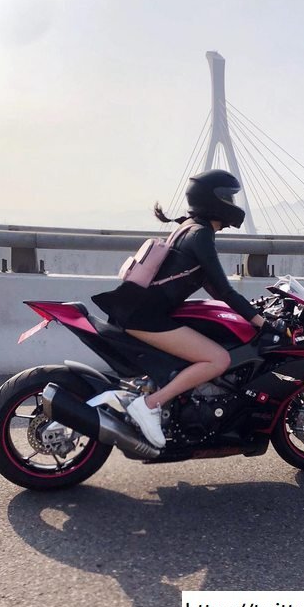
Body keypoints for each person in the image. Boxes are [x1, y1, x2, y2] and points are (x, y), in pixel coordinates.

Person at [92, 169, 269, 448]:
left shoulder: (188, 228)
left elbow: (214, 289)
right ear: (214, 200)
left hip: (139, 310)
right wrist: (263, 323)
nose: (233, 205)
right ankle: (150, 405)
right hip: (144, 316)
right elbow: (225, 290)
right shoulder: (201, 235)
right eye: (229, 198)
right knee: (218, 360)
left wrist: (252, 311)